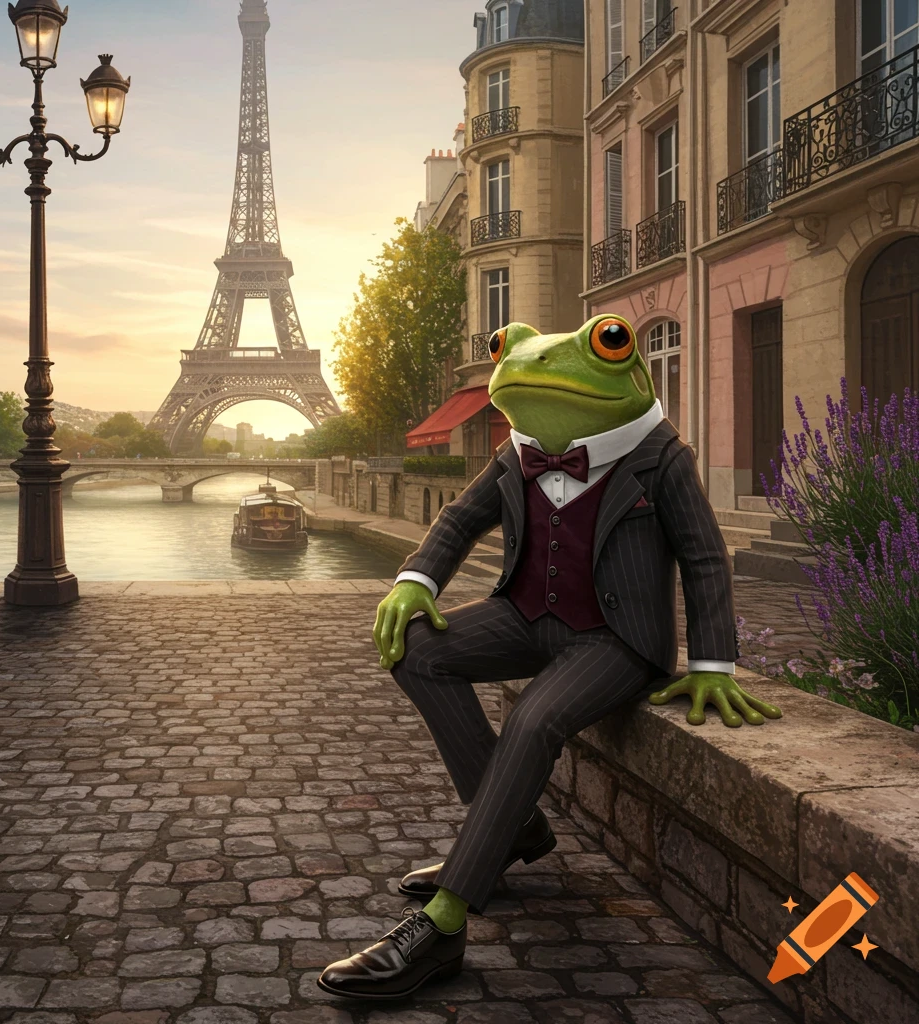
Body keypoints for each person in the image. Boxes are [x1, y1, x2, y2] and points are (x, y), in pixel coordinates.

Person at [317, 316, 781, 1001]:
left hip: (615, 640)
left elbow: (705, 559)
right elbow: (457, 520)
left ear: (631, 370)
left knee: (534, 720)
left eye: (609, 343)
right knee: (416, 652)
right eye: (503, 349)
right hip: (524, 616)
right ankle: (512, 828)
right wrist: (414, 582)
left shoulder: (661, 457)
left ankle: (443, 923)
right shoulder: (516, 453)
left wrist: (713, 666)